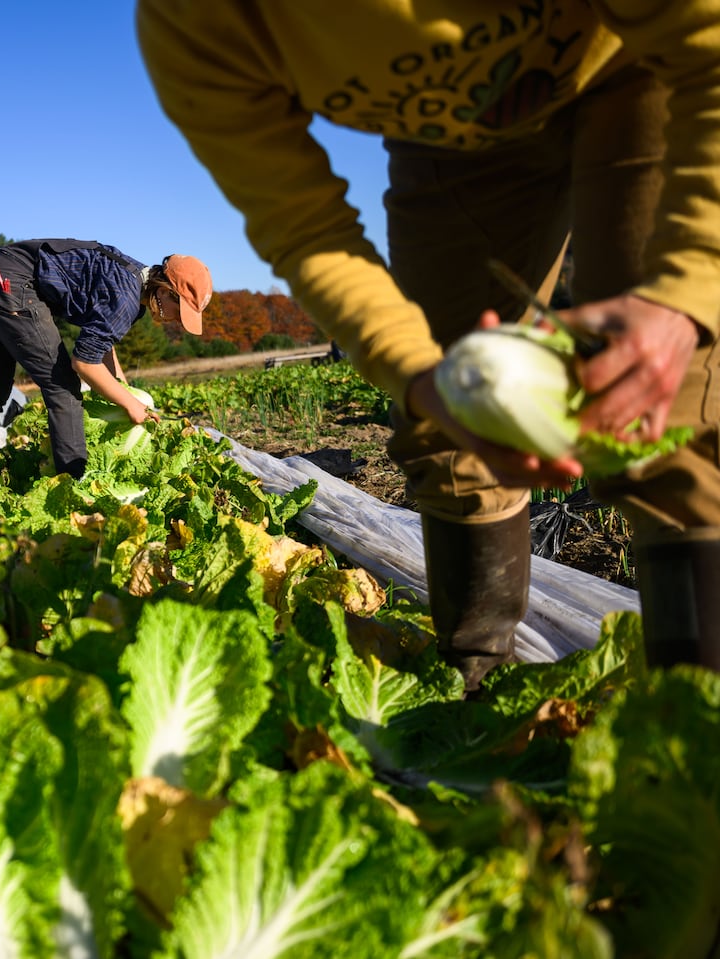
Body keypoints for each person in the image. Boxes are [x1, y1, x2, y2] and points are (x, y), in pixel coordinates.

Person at [136, 4, 720, 686]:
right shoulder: (196, 24)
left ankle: (697, 736)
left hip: (641, 67)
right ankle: (477, 686)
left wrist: (686, 289)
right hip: (452, 141)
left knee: (669, 409)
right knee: (452, 430)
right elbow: (306, 230)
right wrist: (419, 375)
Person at [0, 239, 212, 478]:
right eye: (179, 312)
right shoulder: (127, 298)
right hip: (12, 281)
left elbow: (101, 344)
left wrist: (125, 389)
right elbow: (84, 362)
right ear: (166, 290)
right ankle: (72, 485)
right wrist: (131, 405)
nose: (176, 320)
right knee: (63, 387)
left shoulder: (131, 282)